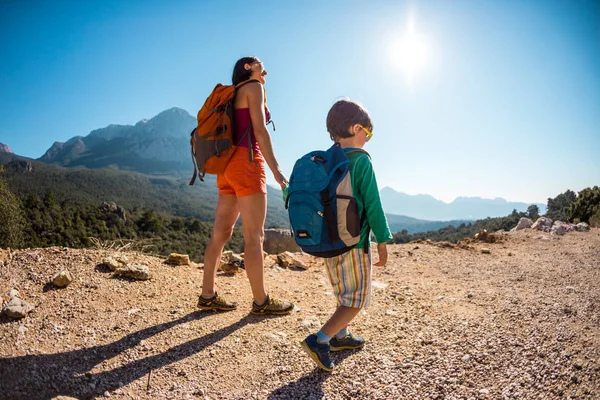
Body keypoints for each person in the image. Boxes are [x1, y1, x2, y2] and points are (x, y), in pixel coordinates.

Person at [197, 56, 294, 315]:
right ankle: (261, 302)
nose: (266, 72)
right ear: (249, 67)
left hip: (227, 166)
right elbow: (260, 131)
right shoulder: (253, 87)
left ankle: (208, 295)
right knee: (254, 237)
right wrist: (277, 171)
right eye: (262, 66)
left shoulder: (233, 93)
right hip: (247, 162)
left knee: (220, 233)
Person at [300, 99, 392, 371]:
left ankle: (341, 336)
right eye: (368, 133)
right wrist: (383, 241)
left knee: (344, 292)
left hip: (327, 242)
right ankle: (321, 339)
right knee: (357, 299)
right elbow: (373, 203)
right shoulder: (361, 161)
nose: (368, 139)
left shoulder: (325, 160)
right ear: (355, 127)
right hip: (353, 243)